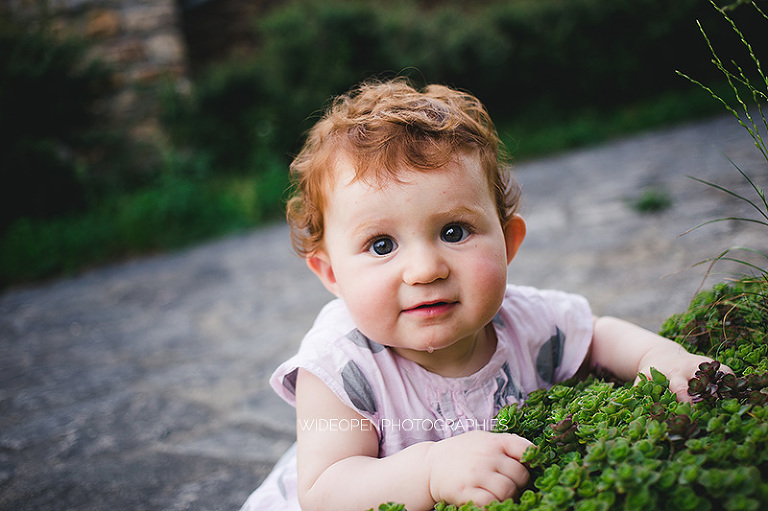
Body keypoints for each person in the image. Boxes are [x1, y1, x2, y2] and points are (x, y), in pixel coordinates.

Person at [240, 78, 719, 511]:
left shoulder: (525, 322)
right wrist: (430, 471)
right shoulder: (338, 369)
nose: (425, 269)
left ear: (508, 242)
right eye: (381, 245)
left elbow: (596, 337)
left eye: (454, 230)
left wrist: (662, 356)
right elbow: (325, 490)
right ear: (331, 275)